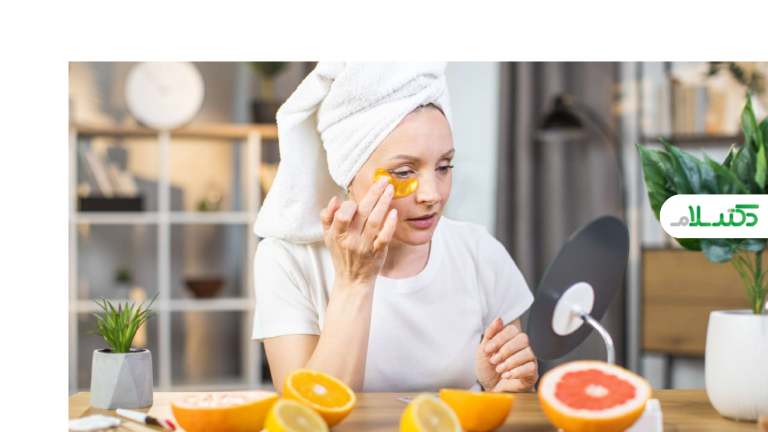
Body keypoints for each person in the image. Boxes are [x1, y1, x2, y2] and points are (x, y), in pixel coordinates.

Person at [252, 61, 537, 393]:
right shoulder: (287, 260)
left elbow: (511, 399)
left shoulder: (479, 254)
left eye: (444, 166)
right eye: (403, 172)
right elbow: (305, 412)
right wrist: (355, 280)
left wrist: (502, 389)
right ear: (347, 174)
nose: (432, 195)